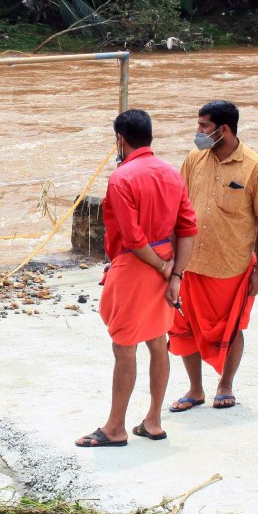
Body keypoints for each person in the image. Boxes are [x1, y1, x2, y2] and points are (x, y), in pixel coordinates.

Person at [76, 110, 197, 447]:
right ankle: (153, 421)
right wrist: (176, 275)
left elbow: (132, 239)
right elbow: (188, 229)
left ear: (120, 139)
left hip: (136, 267)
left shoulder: (122, 178)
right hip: (167, 265)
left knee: (124, 347)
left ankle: (115, 428)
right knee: (158, 342)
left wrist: (161, 269)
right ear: (150, 137)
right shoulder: (172, 174)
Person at [168, 101, 258, 411]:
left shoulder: (257, 167)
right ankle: (195, 389)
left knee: (230, 328)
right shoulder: (193, 159)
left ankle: (225, 384)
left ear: (224, 129)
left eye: (204, 126)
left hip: (231, 265)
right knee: (181, 327)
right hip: (189, 264)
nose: (198, 131)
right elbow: (178, 206)